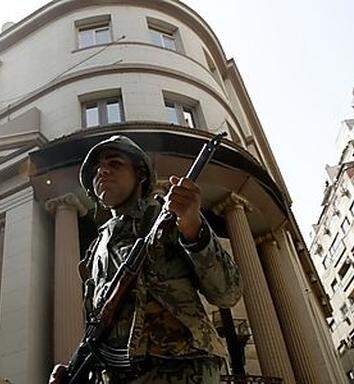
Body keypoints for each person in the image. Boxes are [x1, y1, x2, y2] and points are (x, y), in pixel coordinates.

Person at [50, 135, 242, 384]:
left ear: (140, 175)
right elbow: (99, 323)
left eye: (115, 163)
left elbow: (228, 293)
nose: (102, 171)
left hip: (181, 367)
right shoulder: (95, 250)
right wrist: (75, 371)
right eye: (97, 169)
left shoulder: (168, 217)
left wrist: (192, 226)